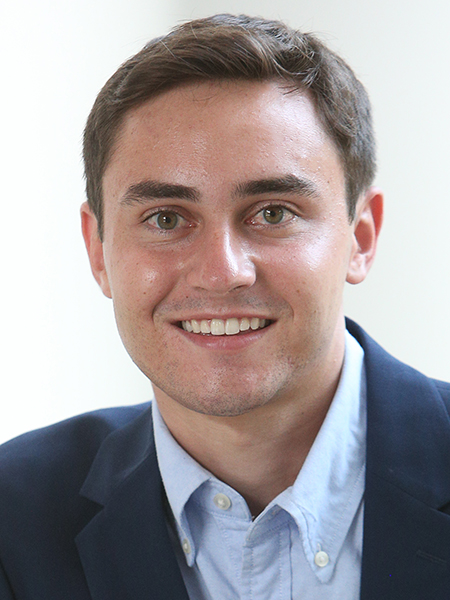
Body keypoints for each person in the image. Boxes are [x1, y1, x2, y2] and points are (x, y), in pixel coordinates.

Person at [0, 13, 449, 600]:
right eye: (166, 219)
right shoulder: (13, 517)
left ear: (360, 238)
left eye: (273, 213)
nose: (221, 272)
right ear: (98, 250)